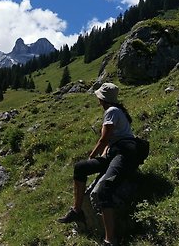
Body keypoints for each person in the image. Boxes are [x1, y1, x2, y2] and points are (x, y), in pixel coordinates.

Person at [57, 83, 139, 246]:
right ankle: (77, 210)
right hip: (115, 152)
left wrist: (92, 156)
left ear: (103, 98)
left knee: (104, 190)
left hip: (123, 153)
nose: (97, 98)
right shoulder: (116, 110)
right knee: (80, 168)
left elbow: (105, 138)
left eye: (99, 96)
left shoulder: (111, 111)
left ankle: (110, 240)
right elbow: (110, 140)